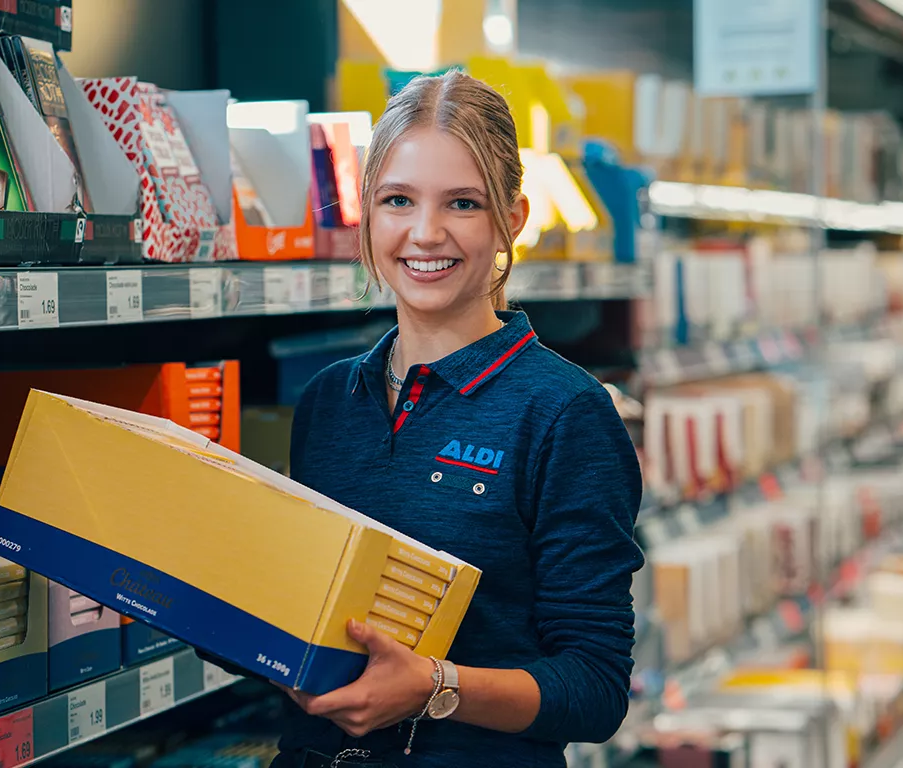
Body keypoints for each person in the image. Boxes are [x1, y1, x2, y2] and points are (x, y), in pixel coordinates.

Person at [273, 70, 645, 768]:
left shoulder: (564, 412)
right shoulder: (328, 402)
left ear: (513, 219)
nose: (425, 233)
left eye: (463, 204)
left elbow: (595, 687)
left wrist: (435, 687)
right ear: (366, 212)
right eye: (398, 200)